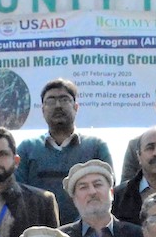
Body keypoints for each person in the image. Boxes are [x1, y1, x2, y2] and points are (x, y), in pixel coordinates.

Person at [15, 78, 113, 221]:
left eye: (64, 99)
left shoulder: (96, 147)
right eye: (51, 100)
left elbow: (107, 190)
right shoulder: (27, 148)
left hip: (86, 232)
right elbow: (19, 194)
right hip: (39, 232)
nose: (58, 105)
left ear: (76, 107)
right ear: (42, 109)